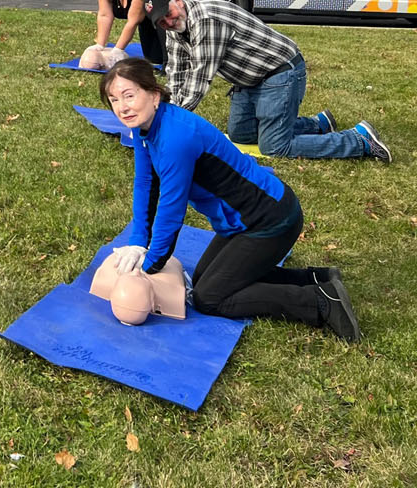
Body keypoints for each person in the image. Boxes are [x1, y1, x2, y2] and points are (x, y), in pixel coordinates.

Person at [101, 57, 362, 340]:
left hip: (269, 220)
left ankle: (320, 301)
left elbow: (170, 208)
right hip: (244, 221)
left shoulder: (176, 136)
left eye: (129, 95)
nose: (122, 107)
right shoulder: (143, 129)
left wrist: (151, 264)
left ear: (153, 94)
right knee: (203, 280)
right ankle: (317, 278)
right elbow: (145, 184)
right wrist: (138, 241)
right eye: (114, 100)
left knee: (209, 298)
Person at [143, 0, 390, 162]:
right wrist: (167, 107)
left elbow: (199, 77)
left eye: (169, 13)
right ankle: (318, 124)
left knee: (274, 146)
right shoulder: (176, 30)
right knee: (241, 135)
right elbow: (177, 71)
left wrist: (171, 122)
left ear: (178, 0)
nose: (168, 21)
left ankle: (359, 140)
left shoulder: (206, 19)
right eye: (161, 21)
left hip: (280, 72)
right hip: (248, 80)